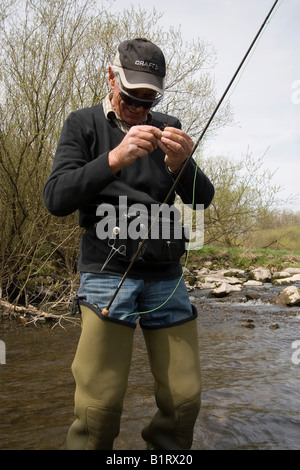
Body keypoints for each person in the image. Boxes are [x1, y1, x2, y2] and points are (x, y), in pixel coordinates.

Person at [43, 38, 214, 450]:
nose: (140, 110)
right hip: (106, 274)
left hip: (167, 278)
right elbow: (56, 198)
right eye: (131, 98)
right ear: (111, 78)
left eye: (148, 100)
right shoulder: (82, 124)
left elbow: (201, 199)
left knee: (185, 400)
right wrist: (114, 159)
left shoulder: (168, 125)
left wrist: (182, 164)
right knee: (99, 409)